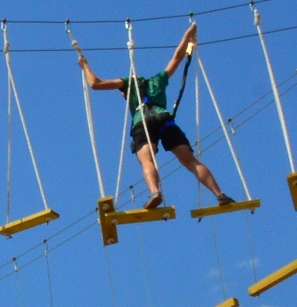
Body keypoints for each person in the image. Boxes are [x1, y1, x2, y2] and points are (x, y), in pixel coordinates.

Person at [79, 24, 232, 210]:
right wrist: (188, 34)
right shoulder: (159, 80)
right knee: (190, 161)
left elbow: (96, 84)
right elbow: (177, 56)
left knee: (147, 161)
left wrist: (84, 66)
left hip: (142, 120)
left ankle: (155, 192)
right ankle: (219, 194)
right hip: (164, 119)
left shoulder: (128, 83)